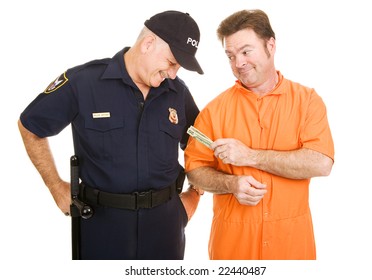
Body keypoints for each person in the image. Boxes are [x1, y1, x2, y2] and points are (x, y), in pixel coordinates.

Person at [18, 10, 204, 260]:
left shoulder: (178, 93)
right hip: (102, 226)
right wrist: (55, 187)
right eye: (171, 63)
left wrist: (195, 194)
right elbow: (30, 125)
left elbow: (200, 146)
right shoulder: (84, 82)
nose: (172, 74)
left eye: (179, 68)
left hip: (166, 227)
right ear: (148, 43)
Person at [184, 9, 335, 260]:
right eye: (230, 56)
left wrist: (250, 157)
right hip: (233, 253)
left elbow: (321, 163)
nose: (238, 63)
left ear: (270, 45)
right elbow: (194, 171)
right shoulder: (214, 111)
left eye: (245, 51)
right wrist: (230, 184)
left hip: (291, 249)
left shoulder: (307, 101)